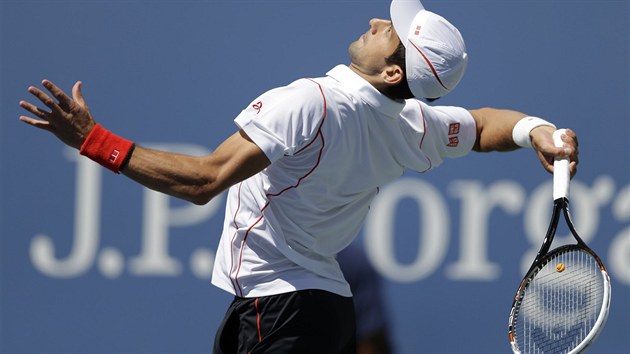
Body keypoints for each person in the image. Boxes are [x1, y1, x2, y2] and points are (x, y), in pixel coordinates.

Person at [19, 0, 579, 353]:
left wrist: (94, 141)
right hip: (314, 311)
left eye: (391, 32)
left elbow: (204, 181)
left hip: (282, 311)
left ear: (391, 70)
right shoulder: (412, 124)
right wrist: (539, 128)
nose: (377, 19)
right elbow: (482, 126)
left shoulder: (310, 101)